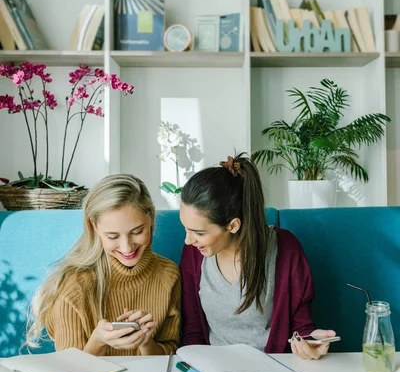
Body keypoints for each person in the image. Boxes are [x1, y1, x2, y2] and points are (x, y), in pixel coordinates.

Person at [179, 154, 336, 360]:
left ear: (232, 225)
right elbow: (192, 331)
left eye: (199, 233)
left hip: (274, 367)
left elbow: (302, 324)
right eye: (186, 229)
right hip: (214, 371)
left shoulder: (285, 249)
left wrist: (309, 340)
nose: (188, 240)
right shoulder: (194, 254)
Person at [29, 174, 180, 356]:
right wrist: (98, 341)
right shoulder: (74, 286)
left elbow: (171, 355)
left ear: (152, 218)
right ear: (94, 226)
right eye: (113, 236)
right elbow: (69, 371)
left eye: (137, 231)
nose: (127, 247)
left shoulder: (169, 275)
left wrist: (146, 342)